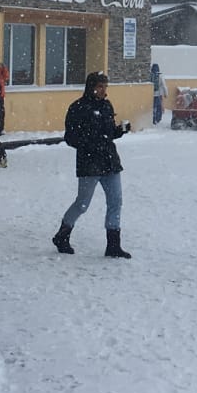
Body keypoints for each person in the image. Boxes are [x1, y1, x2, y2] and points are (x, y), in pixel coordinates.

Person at [53, 72, 133, 258]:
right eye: (100, 86)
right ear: (91, 87)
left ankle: (113, 245)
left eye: (106, 86)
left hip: (110, 161)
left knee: (116, 201)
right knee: (82, 203)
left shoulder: (106, 106)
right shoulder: (78, 108)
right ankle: (62, 235)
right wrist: (91, 143)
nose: (104, 90)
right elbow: (70, 138)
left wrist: (119, 130)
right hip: (89, 163)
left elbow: (109, 132)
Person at [151, 61, 167, 126]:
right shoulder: (160, 76)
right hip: (158, 95)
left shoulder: (151, 75)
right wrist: (166, 93)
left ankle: (153, 119)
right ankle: (157, 119)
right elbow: (164, 86)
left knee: (153, 108)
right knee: (158, 108)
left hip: (151, 95)